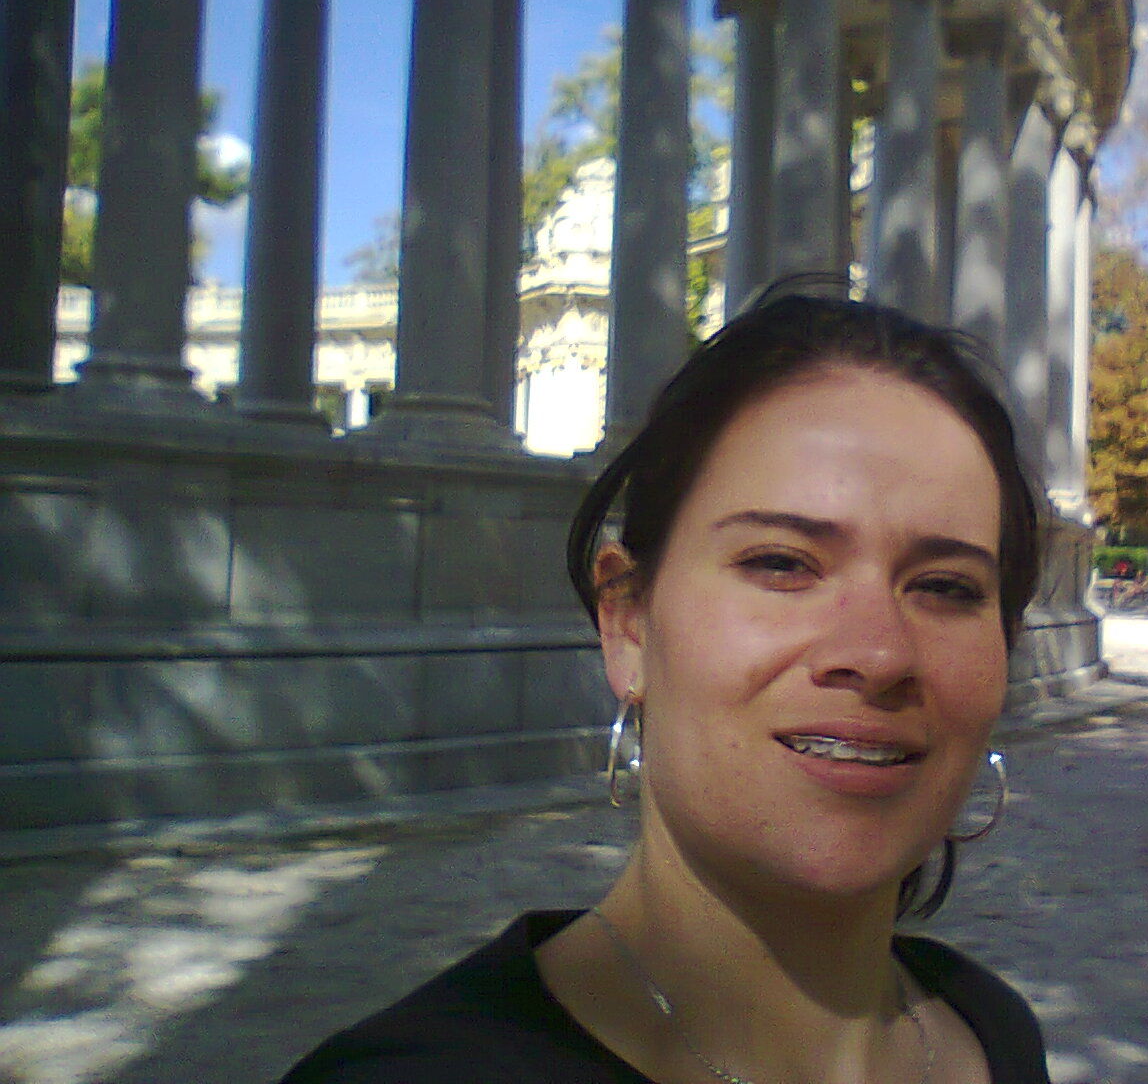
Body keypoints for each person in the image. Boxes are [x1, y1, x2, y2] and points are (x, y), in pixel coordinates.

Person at [280, 278, 1050, 1083]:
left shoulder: (992, 1030)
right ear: (629, 624)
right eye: (782, 564)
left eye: (947, 587)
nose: (880, 652)